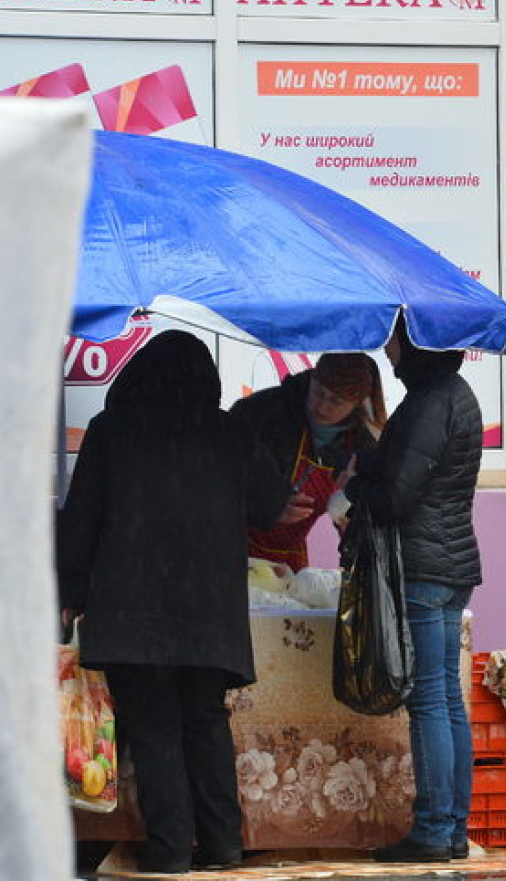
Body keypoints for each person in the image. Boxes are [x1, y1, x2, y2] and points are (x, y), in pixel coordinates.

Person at [57, 331, 285, 874]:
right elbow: (272, 505)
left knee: (154, 724)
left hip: (131, 608)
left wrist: (67, 595)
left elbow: (81, 521)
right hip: (208, 612)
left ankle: (171, 850)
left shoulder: (111, 430)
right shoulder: (228, 430)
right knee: (205, 721)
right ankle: (224, 844)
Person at [342, 316, 484, 864]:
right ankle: (450, 828)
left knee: (430, 699)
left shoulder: (430, 402)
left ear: (418, 341)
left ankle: (434, 827)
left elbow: (398, 496)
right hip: (449, 564)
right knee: (446, 698)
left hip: (424, 567)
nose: (387, 346)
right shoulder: (454, 395)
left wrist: (358, 483)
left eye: (394, 337)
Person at [231, 353, 385, 572]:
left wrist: (352, 524)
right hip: (236, 546)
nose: (321, 407)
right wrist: (266, 507)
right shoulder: (262, 412)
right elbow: (217, 479)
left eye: (336, 401)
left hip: (290, 562)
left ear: (356, 403)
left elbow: (367, 511)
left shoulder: (361, 444)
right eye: (318, 392)